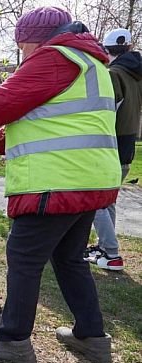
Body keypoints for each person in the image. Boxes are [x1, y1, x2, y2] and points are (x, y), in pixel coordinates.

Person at [0, 7, 120, 363]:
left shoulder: (55, 58)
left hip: (56, 181)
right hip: (87, 178)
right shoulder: (90, 63)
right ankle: (91, 336)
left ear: (37, 40)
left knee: (24, 258)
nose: (22, 55)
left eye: (22, 46)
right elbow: (37, 118)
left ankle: (12, 340)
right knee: (69, 258)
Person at [85, 28, 142, 271]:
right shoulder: (135, 75)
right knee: (108, 201)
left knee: (93, 201)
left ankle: (111, 253)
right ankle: (104, 248)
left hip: (110, 147)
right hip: (127, 147)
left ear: (107, 51)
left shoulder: (113, 75)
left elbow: (105, 114)